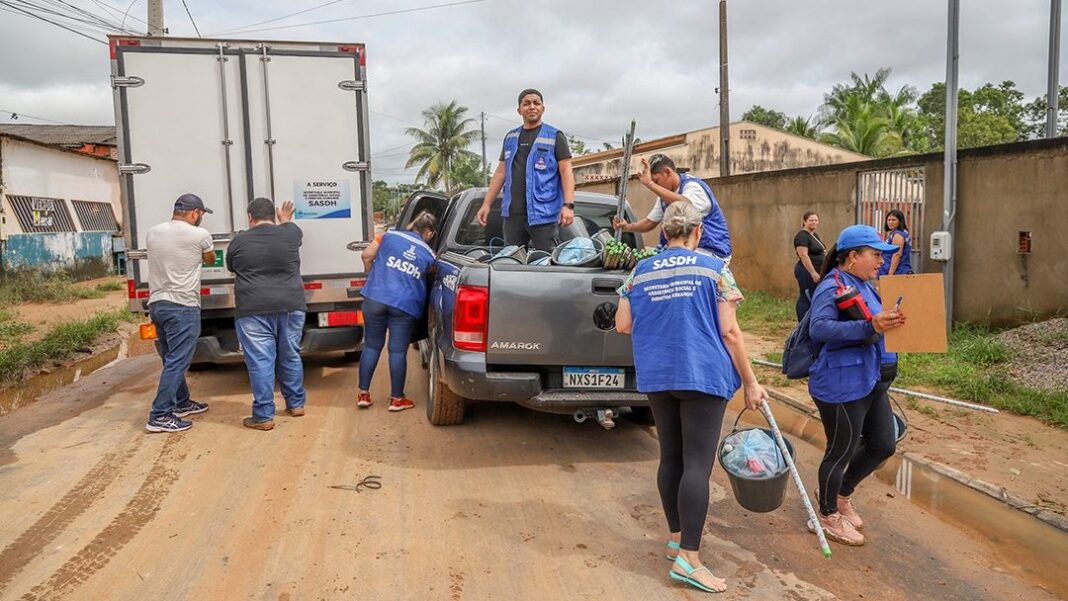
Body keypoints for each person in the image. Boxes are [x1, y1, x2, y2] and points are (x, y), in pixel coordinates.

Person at [615, 201, 768, 594]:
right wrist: (751, 382)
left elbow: (623, 324)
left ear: (664, 233)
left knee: (672, 458)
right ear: (697, 233)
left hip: (658, 375)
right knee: (697, 465)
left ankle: (675, 538)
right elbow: (731, 333)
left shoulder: (639, 271)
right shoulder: (715, 270)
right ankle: (690, 559)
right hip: (702, 375)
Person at [807, 224, 906, 546]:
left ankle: (841, 494)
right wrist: (870, 326)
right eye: (875, 254)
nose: (881, 261)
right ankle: (825, 515)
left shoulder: (864, 284)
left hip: (868, 379)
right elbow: (819, 329)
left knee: (883, 443)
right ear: (853, 256)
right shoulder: (832, 285)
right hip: (841, 383)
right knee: (841, 450)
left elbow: (874, 324)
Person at [226, 198, 307, 431]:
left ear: (250, 217)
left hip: (253, 309)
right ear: (273, 216)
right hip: (291, 305)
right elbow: (292, 229)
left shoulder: (239, 241)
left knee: (261, 361)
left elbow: (232, 267)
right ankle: (296, 404)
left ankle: (263, 416)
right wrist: (285, 220)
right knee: (290, 354)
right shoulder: (290, 234)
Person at [143, 193, 216, 433]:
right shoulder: (200, 235)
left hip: (157, 304)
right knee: (177, 361)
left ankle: (182, 402)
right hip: (182, 305)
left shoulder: (153, 232)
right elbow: (210, 259)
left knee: (170, 358)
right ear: (195, 213)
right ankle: (160, 415)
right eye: (201, 215)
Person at [475, 89, 575, 251]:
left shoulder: (555, 136)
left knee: (545, 262)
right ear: (519, 110)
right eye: (526, 103)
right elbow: (501, 173)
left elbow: (566, 172)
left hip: (544, 215)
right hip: (513, 215)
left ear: (543, 108)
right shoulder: (510, 137)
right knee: (512, 262)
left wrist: (568, 206)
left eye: (536, 103)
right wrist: (486, 204)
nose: (532, 107)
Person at [357, 212, 438, 412]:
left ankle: (363, 395)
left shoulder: (388, 236)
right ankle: (396, 399)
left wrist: (372, 275)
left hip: (375, 298)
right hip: (404, 305)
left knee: (372, 346)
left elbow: (367, 255)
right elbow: (427, 277)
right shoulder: (429, 254)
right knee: (397, 351)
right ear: (428, 232)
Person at [793, 211, 826, 320]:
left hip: (817, 270)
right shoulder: (801, 236)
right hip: (806, 271)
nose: (814, 222)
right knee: (806, 296)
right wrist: (813, 272)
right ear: (804, 221)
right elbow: (803, 255)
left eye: (816, 220)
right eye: (811, 220)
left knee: (814, 295)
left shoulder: (814, 235)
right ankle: (802, 320)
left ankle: (811, 319)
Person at [878, 209, 913, 276]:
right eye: (889, 220)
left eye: (893, 220)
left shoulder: (898, 235)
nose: (890, 222)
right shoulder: (897, 233)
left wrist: (890, 274)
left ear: (900, 221)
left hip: (897, 272)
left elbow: (897, 255)